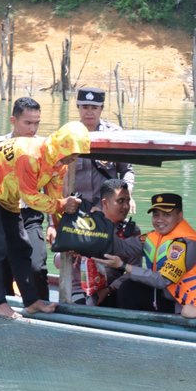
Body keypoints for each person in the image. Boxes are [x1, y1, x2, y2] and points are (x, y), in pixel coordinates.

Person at [0, 121, 90, 319]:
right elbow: (31, 197)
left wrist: (62, 231)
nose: (73, 159)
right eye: (72, 154)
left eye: (76, 156)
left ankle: (31, 301)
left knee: (21, 247)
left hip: (8, 193)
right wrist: (61, 204)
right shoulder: (31, 156)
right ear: (62, 146)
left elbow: (55, 197)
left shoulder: (60, 165)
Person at [48, 86, 136, 303]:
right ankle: (76, 295)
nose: (89, 112)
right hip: (75, 211)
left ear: (102, 109)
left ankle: (108, 292)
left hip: (107, 210)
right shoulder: (65, 135)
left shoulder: (114, 135)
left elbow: (127, 171)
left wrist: (126, 196)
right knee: (62, 257)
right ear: (77, 107)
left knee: (116, 252)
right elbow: (51, 180)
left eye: (94, 107)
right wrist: (50, 222)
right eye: (85, 106)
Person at [95, 193, 196, 313]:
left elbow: (162, 280)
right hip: (176, 300)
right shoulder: (152, 237)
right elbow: (121, 247)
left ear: (180, 216)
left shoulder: (186, 244)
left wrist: (123, 266)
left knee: (129, 290)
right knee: (124, 290)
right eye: (156, 214)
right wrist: (99, 223)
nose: (159, 220)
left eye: (167, 215)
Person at [0, 97, 49, 300]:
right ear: (13, 121)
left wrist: (54, 224)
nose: (32, 129)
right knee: (3, 267)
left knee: (36, 266)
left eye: (36, 123)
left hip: (30, 214)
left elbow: (52, 187)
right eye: (27, 123)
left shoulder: (44, 148)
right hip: (2, 213)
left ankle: (44, 309)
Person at [86, 178, 142, 307]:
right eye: (120, 201)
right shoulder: (86, 224)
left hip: (113, 289)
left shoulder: (132, 230)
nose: (126, 206)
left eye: (128, 201)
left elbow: (134, 269)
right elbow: (59, 261)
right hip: (84, 288)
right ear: (105, 203)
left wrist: (109, 289)